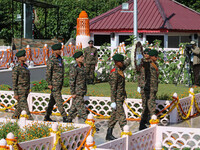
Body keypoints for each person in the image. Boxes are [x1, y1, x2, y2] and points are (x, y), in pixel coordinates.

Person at [106, 54, 131, 141]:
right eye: (121, 62)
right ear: (117, 62)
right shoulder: (114, 73)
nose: (123, 63)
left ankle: (108, 134)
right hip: (116, 99)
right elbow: (113, 89)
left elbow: (127, 63)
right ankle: (126, 133)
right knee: (122, 117)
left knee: (114, 116)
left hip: (120, 97)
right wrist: (113, 101)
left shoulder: (120, 69)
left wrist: (133, 55)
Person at [44, 43, 68, 122]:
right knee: (58, 99)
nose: (60, 51)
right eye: (58, 50)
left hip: (59, 83)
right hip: (54, 84)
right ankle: (64, 116)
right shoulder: (51, 60)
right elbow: (48, 72)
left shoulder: (60, 58)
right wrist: (49, 83)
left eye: (60, 49)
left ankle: (47, 116)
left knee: (52, 101)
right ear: (54, 51)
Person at [139, 49, 159, 130]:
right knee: (151, 106)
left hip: (153, 88)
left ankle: (144, 123)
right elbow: (142, 74)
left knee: (148, 106)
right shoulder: (147, 64)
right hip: (148, 88)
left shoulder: (155, 64)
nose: (157, 58)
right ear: (152, 57)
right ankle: (148, 123)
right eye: (156, 56)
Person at [66, 51, 88, 123]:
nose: (83, 58)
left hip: (82, 90)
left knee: (74, 107)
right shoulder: (74, 68)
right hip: (77, 91)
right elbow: (72, 81)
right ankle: (89, 122)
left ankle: (68, 119)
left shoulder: (82, 67)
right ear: (77, 59)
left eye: (83, 57)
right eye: (81, 57)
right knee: (81, 108)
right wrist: (73, 92)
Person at [12, 50, 33, 120]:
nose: (25, 57)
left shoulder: (25, 66)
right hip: (20, 90)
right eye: (23, 56)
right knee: (25, 108)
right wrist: (15, 93)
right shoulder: (16, 68)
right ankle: (31, 121)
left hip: (26, 90)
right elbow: (14, 81)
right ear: (19, 58)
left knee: (19, 107)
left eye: (25, 55)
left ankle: (13, 119)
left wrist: (28, 88)